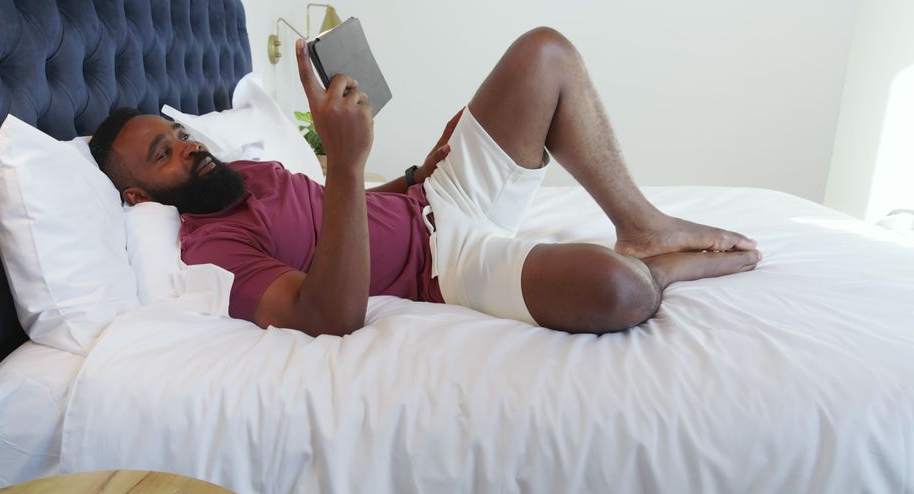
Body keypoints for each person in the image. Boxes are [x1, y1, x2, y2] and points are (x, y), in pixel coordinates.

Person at [89, 28, 760, 336]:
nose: (189, 148)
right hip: (445, 267)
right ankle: (659, 270)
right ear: (137, 196)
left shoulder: (250, 173)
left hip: (436, 199)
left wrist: (419, 173)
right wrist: (346, 162)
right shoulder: (212, 251)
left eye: (180, 135)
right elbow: (329, 318)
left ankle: (640, 226)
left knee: (544, 54)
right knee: (618, 291)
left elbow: (334, 210)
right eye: (163, 154)